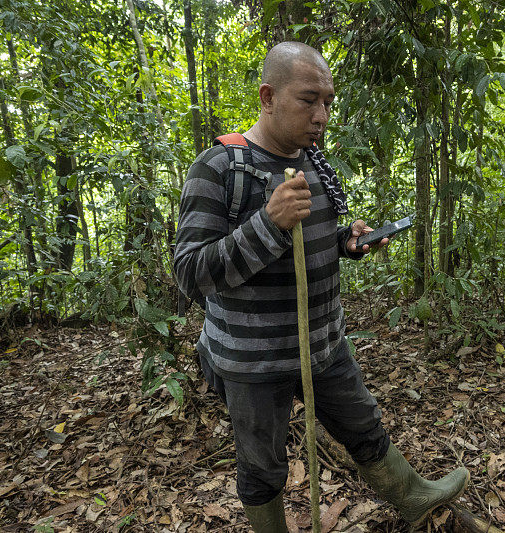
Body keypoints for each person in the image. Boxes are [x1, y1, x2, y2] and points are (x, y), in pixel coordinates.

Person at [173, 41, 469, 532]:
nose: (322, 115)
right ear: (268, 97)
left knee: (363, 426)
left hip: (323, 345)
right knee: (262, 468)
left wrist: (345, 243)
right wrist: (267, 225)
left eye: (328, 101)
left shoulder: (315, 162)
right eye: (308, 100)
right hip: (253, 359)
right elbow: (189, 273)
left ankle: (413, 497)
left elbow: (306, 246)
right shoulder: (220, 167)